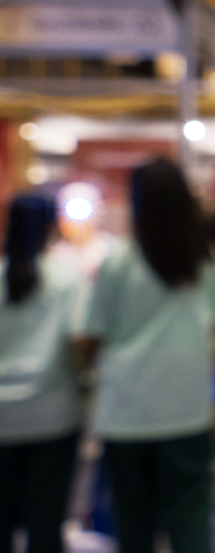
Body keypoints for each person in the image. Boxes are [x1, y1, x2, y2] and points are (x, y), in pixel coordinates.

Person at [80, 158, 215, 553]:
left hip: (126, 412)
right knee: (191, 520)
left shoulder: (117, 263)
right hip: (187, 407)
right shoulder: (204, 262)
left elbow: (92, 335)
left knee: (133, 525)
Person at [0, 195, 86, 553]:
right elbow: (79, 343)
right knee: (46, 523)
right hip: (54, 414)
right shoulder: (68, 279)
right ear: (52, 226)